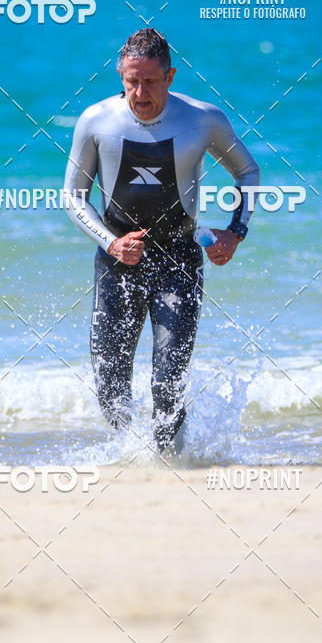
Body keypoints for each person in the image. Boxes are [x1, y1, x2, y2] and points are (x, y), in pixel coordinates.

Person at [64, 28, 259, 451]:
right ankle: (131, 459)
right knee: (109, 383)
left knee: (168, 380)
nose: (140, 91)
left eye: (150, 81)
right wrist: (111, 242)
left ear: (170, 76)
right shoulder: (96, 121)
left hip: (179, 262)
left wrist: (235, 232)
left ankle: (168, 465)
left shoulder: (202, 119)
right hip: (118, 263)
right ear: (120, 74)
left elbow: (247, 171)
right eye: (131, 80)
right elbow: (74, 196)